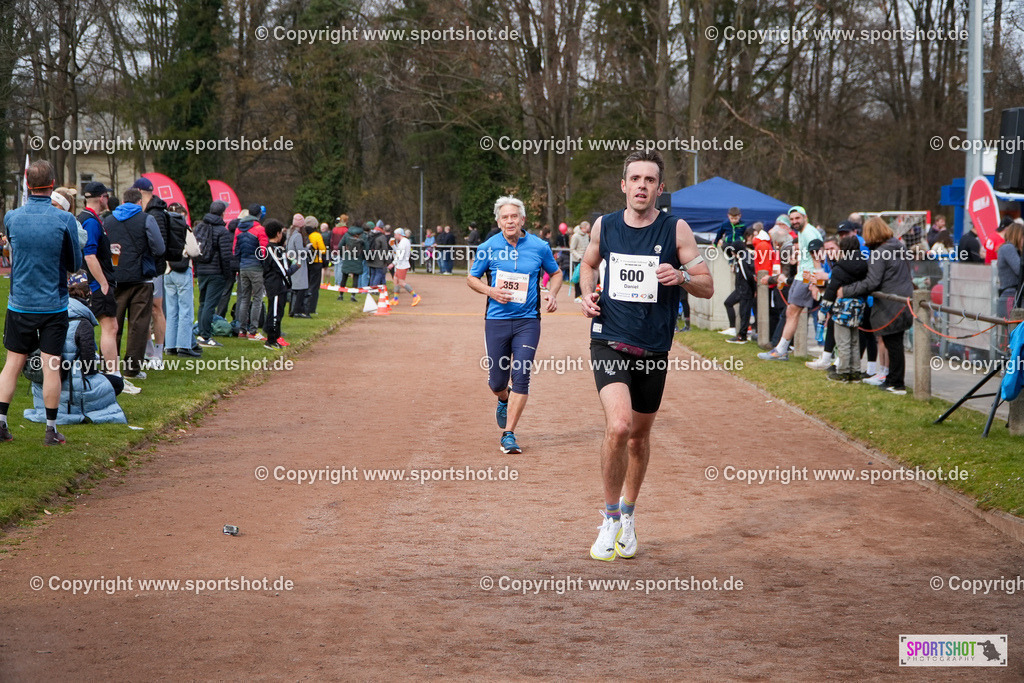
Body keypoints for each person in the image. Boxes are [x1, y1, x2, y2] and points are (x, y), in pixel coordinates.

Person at [579, 150, 712, 561]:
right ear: (623, 185)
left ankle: (630, 514)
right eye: (634, 178)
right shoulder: (606, 225)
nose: (641, 186)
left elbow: (707, 285)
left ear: (659, 187)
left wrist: (683, 275)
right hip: (609, 340)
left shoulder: (677, 230)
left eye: (649, 180)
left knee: (638, 437)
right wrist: (586, 294)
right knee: (618, 426)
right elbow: (588, 263)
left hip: (653, 347)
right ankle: (610, 517)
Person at [468, 195, 563, 455]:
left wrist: (552, 293)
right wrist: (491, 291)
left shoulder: (539, 246)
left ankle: (508, 434)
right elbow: (471, 278)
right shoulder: (488, 246)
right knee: (497, 382)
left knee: (522, 375)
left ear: (522, 219)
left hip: (528, 321)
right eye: (505, 217)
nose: (510, 221)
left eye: (514, 216)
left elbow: (556, 273)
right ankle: (503, 397)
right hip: (497, 321)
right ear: (499, 222)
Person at [0, 160, 83, 445]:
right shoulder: (65, 219)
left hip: (20, 303)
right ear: (51, 184)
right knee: (51, 365)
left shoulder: (12, 217)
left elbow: (14, 250)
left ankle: (1, 424)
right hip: (53, 305)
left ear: (27, 184)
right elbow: (75, 263)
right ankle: (50, 430)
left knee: (12, 364)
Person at [23, 273, 126, 424]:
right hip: (72, 390)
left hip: (42, 387)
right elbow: (88, 366)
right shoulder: (82, 322)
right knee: (117, 382)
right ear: (88, 296)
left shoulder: (46, 315)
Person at [840, 217, 914, 395]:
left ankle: (897, 383)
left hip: (892, 303)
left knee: (893, 343)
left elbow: (872, 282)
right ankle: (891, 379)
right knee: (894, 342)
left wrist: (847, 290)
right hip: (904, 299)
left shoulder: (880, 253)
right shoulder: (898, 246)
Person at [105, 187, 165, 380]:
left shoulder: (109, 220)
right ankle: (131, 369)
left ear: (123, 201)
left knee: (112, 324)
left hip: (116, 277)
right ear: (140, 202)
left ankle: (109, 367)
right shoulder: (146, 219)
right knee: (138, 324)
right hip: (142, 278)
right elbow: (159, 247)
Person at [757, 205, 819, 361]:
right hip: (802, 275)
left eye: (797, 218)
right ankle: (781, 349)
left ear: (805, 217)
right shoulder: (802, 232)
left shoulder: (810, 232)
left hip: (807, 276)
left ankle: (781, 350)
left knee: (792, 312)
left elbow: (817, 257)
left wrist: (816, 281)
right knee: (791, 312)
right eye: (792, 219)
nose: (795, 221)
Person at [78, 181, 123, 381]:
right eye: (107, 196)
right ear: (102, 197)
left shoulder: (88, 218)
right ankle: (113, 375)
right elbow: (89, 255)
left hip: (91, 282)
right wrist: (103, 283)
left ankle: (110, 372)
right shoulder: (90, 221)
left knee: (108, 326)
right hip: (96, 284)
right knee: (110, 326)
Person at [819, 235, 868, 381]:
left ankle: (843, 372)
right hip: (858, 307)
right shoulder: (864, 265)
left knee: (843, 341)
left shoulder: (840, 267)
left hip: (843, 308)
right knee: (854, 340)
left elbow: (831, 290)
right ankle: (855, 371)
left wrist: (824, 310)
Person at [133, 178, 170, 369]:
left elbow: (160, 245)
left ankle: (158, 352)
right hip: (142, 268)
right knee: (143, 311)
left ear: (139, 191)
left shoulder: (156, 212)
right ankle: (148, 352)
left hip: (154, 269)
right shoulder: (142, 211)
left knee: (156, 309)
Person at [164, 203, 201, 357]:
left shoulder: (164, 227)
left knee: (171, 310)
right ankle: (184, 346)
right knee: (186, 309)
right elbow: (194, 250)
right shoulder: (184, 228)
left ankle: (170, 345)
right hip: (182, 270)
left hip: (167, 271)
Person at [194, 201, 233, 348]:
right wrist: (228, 274)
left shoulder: (200, 227)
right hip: (216, 272)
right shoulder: (222, 231)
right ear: (222, 213)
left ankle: (201, 333)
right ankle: (205, 336)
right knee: (210, 305)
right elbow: (225, 256)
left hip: (202, 270)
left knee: (203, 303)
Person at [233, 203, 269, 340]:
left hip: (243, 266)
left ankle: (242, 330)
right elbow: (263, 251)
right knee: (257, 298)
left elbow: (235, 250)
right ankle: (253, 331)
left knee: (244, 298)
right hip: (256, 267)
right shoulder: (259, 229)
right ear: (259, 214)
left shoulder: (238, 229)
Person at [261, 219, 297, 350]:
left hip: (280, 285)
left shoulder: (278, 249)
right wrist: (290, 277)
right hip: (275, 285)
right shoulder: (272, 249)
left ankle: (275, 338)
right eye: (281, 232)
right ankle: (271, 339)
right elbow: (282, 269)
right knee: (275, 312)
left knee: (279, 312)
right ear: (277, 234)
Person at [725, 226, 758, 343]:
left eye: (733, 250)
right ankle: (737, 331)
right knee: (731, 304)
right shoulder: (740, 258)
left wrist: (754, 290)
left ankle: (742, 336)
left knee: (745, 313)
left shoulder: (743, 259)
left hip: (746, 291)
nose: (732, 252)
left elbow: (748, 276)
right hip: (741, 290)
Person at [286, 214, 310, 317]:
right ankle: (297, 311)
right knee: (301, 288)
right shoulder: (298, 235)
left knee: (294, 289)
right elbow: (300, 251)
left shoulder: (290, 234)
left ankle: (292, 310)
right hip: (299, 263)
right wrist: (308, 248)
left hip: (292, 261)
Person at [338, 221, 368, 301]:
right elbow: (366, 249)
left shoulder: (347, 234)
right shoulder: (363, 235)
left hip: (347, 257)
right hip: (358, 257)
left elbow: (340, 246)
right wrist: (364, 257)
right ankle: (352, 296)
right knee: (356, 277)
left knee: (344, 277)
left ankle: (341, 295)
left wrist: (343, 254)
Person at [390, 228, 421, 306]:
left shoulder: (403, 242)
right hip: (400, 264)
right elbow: (398, 252)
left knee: (401, 283)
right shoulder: (404, 242)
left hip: (402, 265)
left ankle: (415, 296)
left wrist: (393, 263)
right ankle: (395, 299)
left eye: (395, 235)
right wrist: (393, 246)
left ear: (399, 234)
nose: (394, 236)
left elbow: (400, 254)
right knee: (396, 280)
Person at [305, 216, 326, 315]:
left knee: (306, 284)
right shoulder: (316, 235)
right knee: (314, 287)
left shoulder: (304, 235)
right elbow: (322, 249)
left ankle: (304, 305)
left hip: (306, 263)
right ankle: (311, 308)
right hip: (316, 262)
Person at [569, 221, 591, 301]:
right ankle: (577, 295)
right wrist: (578, 256)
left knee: (584, 277)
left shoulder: (586, 236)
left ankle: (583, 294)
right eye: (587, 228)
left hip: (586, 259)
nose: (588, 229)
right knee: (577, 278)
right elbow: (572, 249)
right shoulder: (575, 236)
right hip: (577, 260)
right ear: (582, 228)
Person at [366, 222, 390, 289]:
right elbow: (385, 249)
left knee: (372, 274)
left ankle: (371, 289)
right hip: (379, 259)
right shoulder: (382, 237)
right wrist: (388, 261)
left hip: (370, 257)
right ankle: (374, 289)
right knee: (378, 274)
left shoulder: (370, 234)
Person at [330, 215, 350, 286]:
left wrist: (332, 248)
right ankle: (339, 283)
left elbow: (331, 240)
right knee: (340, 265)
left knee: (336, 265)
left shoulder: (334, 229)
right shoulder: (345, 230)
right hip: (342, 250)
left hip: (335, 249)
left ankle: (336, 282)